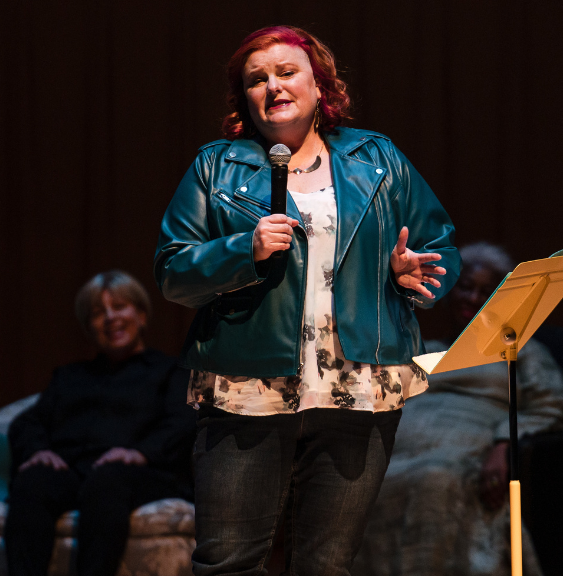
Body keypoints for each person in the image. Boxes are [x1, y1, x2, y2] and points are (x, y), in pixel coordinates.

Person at [154, 26, 459, 576]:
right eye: (257, 79)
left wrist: (410, 275)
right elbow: (173, 271)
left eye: (287, 72)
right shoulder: (215, 167)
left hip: (359, 384)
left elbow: (437, 246)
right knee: (228, 562)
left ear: (320, 85)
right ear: (244, 98)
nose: (273, 85)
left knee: (327, 565)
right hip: (248, 386)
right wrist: (240, 250)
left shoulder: (377, 158)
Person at [352, 242, 563, 576]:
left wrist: (504, 446)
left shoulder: (520, 350)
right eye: (466, 287)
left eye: (486, 291)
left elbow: (552, 405)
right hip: (400, 451)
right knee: (356, 485)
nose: (472, 298)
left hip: (461, 455)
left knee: (435, 479)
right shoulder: (430, 350)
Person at [4, 271, 196, 576]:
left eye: (119, 307)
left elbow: (183, 422)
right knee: (33, 481)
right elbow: (27, 423)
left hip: (139, 474)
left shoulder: (170, 371)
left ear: (141, 315)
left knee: (108, 481)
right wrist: (38, 451)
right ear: (88, 327)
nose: (110, 318)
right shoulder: (69, 377)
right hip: (73, 470)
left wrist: (141, 453)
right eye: (98, 312)